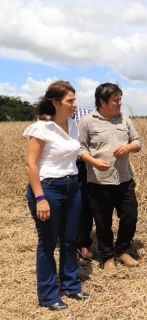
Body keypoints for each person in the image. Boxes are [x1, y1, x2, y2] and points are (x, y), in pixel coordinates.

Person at [24, 81, 90, 311]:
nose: (74, 104)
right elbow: (31, 165)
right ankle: (48, 294)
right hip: (48, 188)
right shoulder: (41, 128)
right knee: (49, 242)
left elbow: (76, 154)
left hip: (72, 186)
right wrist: (40, 197)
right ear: (54, 102)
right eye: (69, 101)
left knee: (70, 239)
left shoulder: (72, 124)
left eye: (74, 100)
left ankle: (71, 286)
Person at [78, 83, 142, 274]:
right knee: (103, 223)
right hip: (98, 181)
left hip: (124, 179)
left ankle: (122, 250)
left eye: (120, 99)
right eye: (115, 100)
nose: (119, 103)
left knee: (130, 216)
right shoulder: (87, 122)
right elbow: (80, 149)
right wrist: (94, 162)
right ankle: (107, 258)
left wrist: (129, 147)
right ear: (102, 101)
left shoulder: (125, 120)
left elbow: (137, 142)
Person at [74, 108, 95, 260]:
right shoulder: (50, 117)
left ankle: (83, 244)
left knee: (85, 205)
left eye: (73, 99)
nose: (73, 104)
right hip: (61, 167)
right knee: (67, 205)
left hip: (84, 165)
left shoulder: (88, 114)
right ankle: (70, 246)